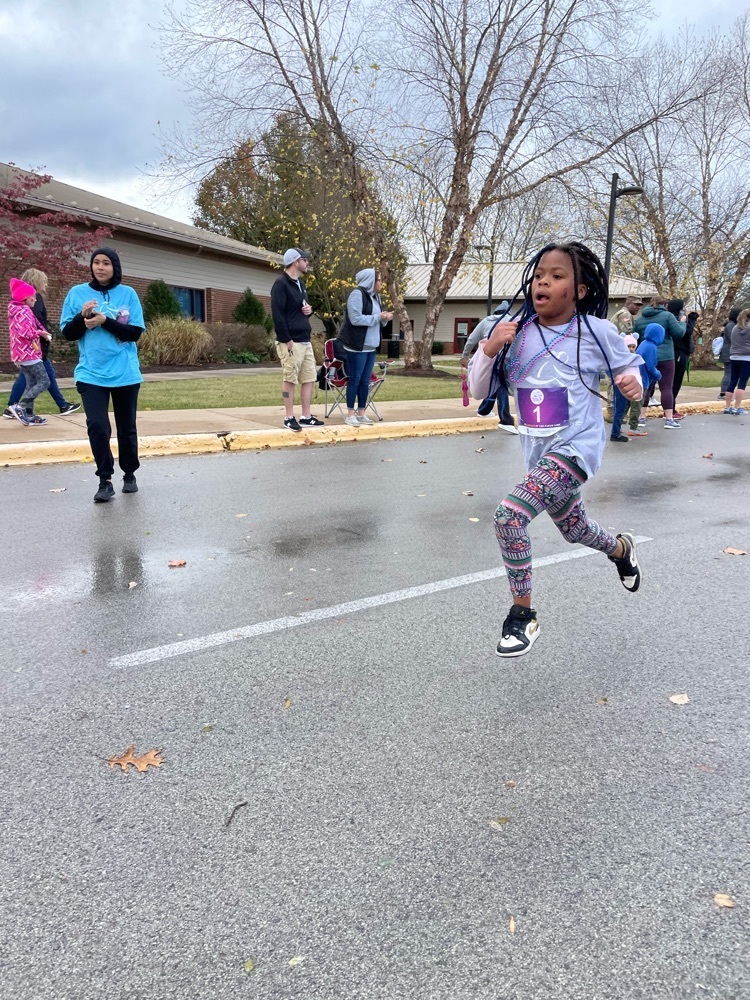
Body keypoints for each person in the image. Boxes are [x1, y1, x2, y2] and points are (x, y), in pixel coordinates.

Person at [468, 241, 644, 658]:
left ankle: (522, 615)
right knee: (574, 530)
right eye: (539, 275)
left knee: (509, 516)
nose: (543, 281)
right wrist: (489, 349)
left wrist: (632, 384)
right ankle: (621, 550)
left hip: (576, 450)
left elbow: (629, 367)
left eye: (557, 275)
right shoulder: (515, 334)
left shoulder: (595, 332)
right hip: (540, 455)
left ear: (579, 291)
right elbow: (480, 391)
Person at [60, 248, 145, 503]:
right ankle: (104, 480)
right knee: (97, 427)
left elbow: (134, 333)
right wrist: (82, 316)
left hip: (125, 374)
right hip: (91, 373)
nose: (100, 267)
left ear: (114, 267)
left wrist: (104, 321)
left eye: (106, 263)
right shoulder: (77, 294)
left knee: (126, 428)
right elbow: (69, 334)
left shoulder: (128, 294)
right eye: (96, 262)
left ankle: (129, 474)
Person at [3, 269, 80, 419]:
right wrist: (42, 337)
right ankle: (17, 406)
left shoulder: (24, 303)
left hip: (31, 349)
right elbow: (32, 327)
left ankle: (58, 406)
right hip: (33, 348)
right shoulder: (32, 301)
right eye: (44, 281)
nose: (46, 284)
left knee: (36, 378)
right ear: (37, 281)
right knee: (42, 379)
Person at [271, 247, 324, 432]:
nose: (307, 263)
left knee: (309, 378)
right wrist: (287, 339)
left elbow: (298, 310)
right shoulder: (281, 284)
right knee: (290, 379)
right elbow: (277, 315)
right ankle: (288, 417)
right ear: (296, 262)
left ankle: (306, 416)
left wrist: (308, 312)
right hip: (290, 341)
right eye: (305, 260)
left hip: (305, 339)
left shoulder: (300, 284)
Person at [336, 268, 393, 425]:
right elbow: (355, 319)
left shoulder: (376, 297)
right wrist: (377, 317)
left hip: (371, 346)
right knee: (355, 379)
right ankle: (350, 414)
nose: (381, 283)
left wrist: (385, 318)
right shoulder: (357, 294)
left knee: (365, 381)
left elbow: (377, 320)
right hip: (357, 346)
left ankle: (361, 413)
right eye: (379, 280)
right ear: (370, 281)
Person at [461, 302, 518, 433]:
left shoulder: (485, 321)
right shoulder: (511, 321)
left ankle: (484, 410)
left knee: (491, 383)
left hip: (487, 357)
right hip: (505, 358)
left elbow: (471, 340)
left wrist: (464, 356)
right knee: (500, 385)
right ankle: (506, 420)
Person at [633, 295, 685, 429]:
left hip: (646, 355)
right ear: (665, 305)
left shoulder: (640, 318)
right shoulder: (668, 316)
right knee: (666, 387)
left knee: (646, 386)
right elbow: (679, 333)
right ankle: (669, 419)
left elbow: (635, 336)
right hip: (666, 356)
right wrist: (683, 322)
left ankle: (641, 417)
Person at [7, 278, 51, 426]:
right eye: (33, 296)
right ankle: (20, 407)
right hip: (28, 353)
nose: (35, 298)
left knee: (31, 383)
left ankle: (29, 414)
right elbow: (25, 332)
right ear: (25, 298)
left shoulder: (17, 310)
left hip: (20, 354)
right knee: (44, 381)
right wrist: (41, 333)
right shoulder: (25, 311)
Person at [630, 323, 664, 435]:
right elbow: (650, 366)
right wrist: (657, 374)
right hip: (642, 379)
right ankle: (633, 427)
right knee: (637, 403)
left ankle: (618, 425)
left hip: (636, 376)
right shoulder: (651, 347)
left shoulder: (644, 343)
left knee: (627, 404)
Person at [610, 334, 640, 442]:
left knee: (620, 408)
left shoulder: (628, 357)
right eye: (629, 346)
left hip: (625, 385)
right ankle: (615, 433)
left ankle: (616, 429)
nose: (631, 349)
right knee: (620, 408)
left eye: (633, 346)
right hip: (621, 385)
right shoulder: (622, 358)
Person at [671, 304, 698, 417]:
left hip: (681, 353)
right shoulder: (674, 320)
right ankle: (670, 409)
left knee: (675, 383)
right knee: (674, 382)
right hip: (678, 353)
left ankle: (671, 407)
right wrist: (690, 320)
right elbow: (687, 332)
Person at [723, 308, 750, 415]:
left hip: (734, 357)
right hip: (747, 358)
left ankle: (727, 406)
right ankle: (737, 407)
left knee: (732, 381)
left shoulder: (735, 328)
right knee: (742, 383)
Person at [718, 308, 740, 400]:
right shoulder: (731, 325)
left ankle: (727, 392)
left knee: (731, 373)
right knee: (728, 373)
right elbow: (733, 338)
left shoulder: (731, 325)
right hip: (729, 353)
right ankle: (723, 393)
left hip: (730, 352)